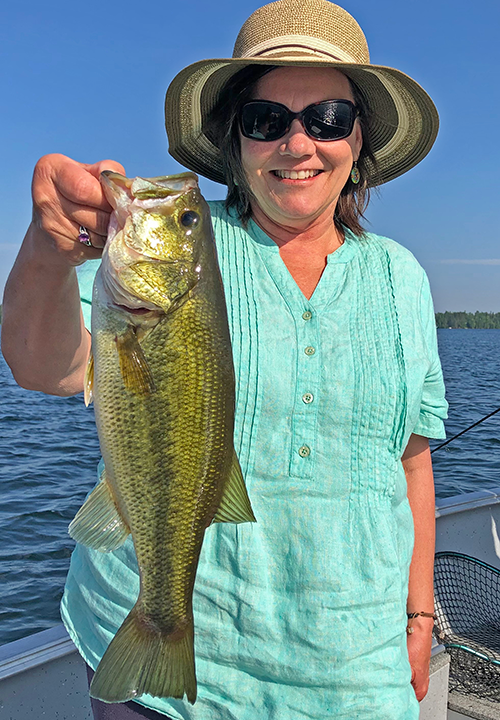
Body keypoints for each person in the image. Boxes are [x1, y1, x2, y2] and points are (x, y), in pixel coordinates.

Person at [1, 0, 448, 718]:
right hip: (167, 681)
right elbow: (43, 365)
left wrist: (419, 618)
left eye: (328, 118)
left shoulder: (402, 277)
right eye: (267, 120)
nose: (297, 144)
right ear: (235, 138)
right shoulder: (191, 247)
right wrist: (49, 251)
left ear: (358, 138)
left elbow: (413, 460)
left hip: (353, 674)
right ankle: (161, 616)